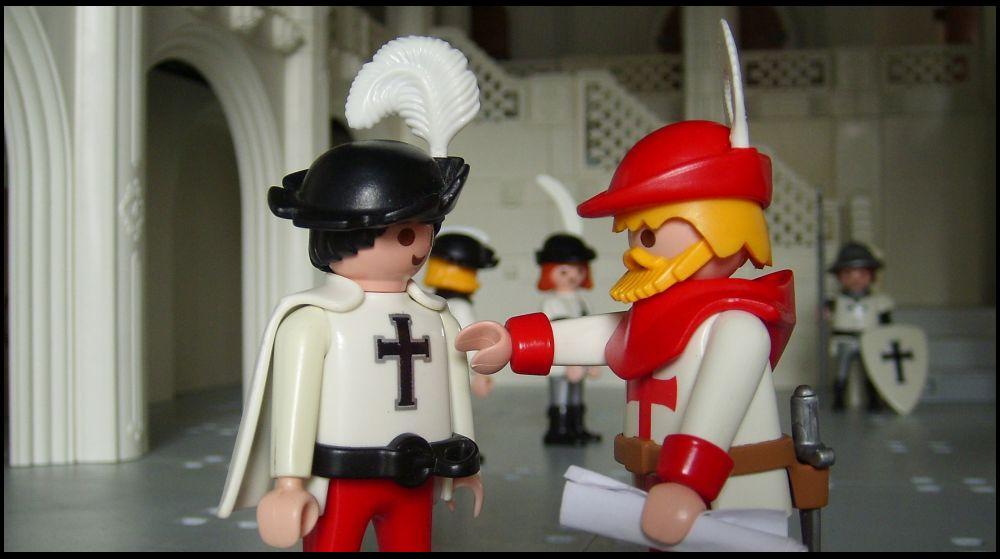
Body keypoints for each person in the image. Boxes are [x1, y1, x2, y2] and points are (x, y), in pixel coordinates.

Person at [535, 233, 602, 445]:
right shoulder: (551, 303)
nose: (573, 276)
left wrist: (593, 361)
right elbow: (558, 334)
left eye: (579, 270)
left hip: (581, 359)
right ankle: (559, 430)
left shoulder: (582, 301)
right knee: (561, 394)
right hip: (561, 360)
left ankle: (577, 428)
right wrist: (570, 361)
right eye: (564, 271)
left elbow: (589, 331)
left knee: (577, 395)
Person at [826, 241, 893, 411]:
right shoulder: (835, 301)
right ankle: (839, 398)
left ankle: (873, 400)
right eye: (848, 273)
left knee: (871, 370)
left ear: (871, 275)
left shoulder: (878, 301)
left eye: (862, 273)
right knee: (842, 370)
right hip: (845, 339)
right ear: (840, 276)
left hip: (869, 339)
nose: (855, 279)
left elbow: (886, 323)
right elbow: (828, 316)